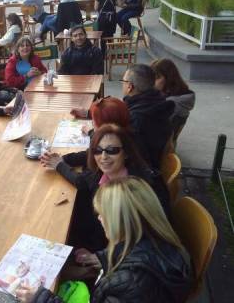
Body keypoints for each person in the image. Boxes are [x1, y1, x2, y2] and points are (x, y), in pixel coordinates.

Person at [16, 177, 191, 303]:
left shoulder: (131, 285)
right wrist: (102, 258)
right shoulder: (157, 237)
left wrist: (39, 299)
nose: (99, 218)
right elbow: (135, 255)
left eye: (104, 214)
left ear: (122, 220)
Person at [41, 124, 170, 252]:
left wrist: (101, 258)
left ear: (126, 153)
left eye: (112, 151)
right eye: (97, 150)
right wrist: (60, 162)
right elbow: (82, 181)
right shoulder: (101, 174)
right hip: (102, 242)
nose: (103, 157)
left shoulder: (139, 190)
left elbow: (143, 243)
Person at [41, 96, 130, 173]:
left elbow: (83, 182)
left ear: (104, 128)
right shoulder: (125, 138)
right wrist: (63, 159)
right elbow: (89, 153)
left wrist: (59, 164)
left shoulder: (105, 162)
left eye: (93, 121)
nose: (92, 124)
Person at [121, 64, 174, 170]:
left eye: (123, 81)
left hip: (140, 171)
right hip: (153, 162)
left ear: (130, 86)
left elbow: (121, 149)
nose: (122, 84)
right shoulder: (157, 102)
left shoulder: (136, 118)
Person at [151, 58, 195, 145]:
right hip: (167, 144)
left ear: (169, 78)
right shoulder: (178, 95)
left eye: (156, 78)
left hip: (158, 148)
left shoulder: (171, 104)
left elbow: (153, 130)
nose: (152, 82)